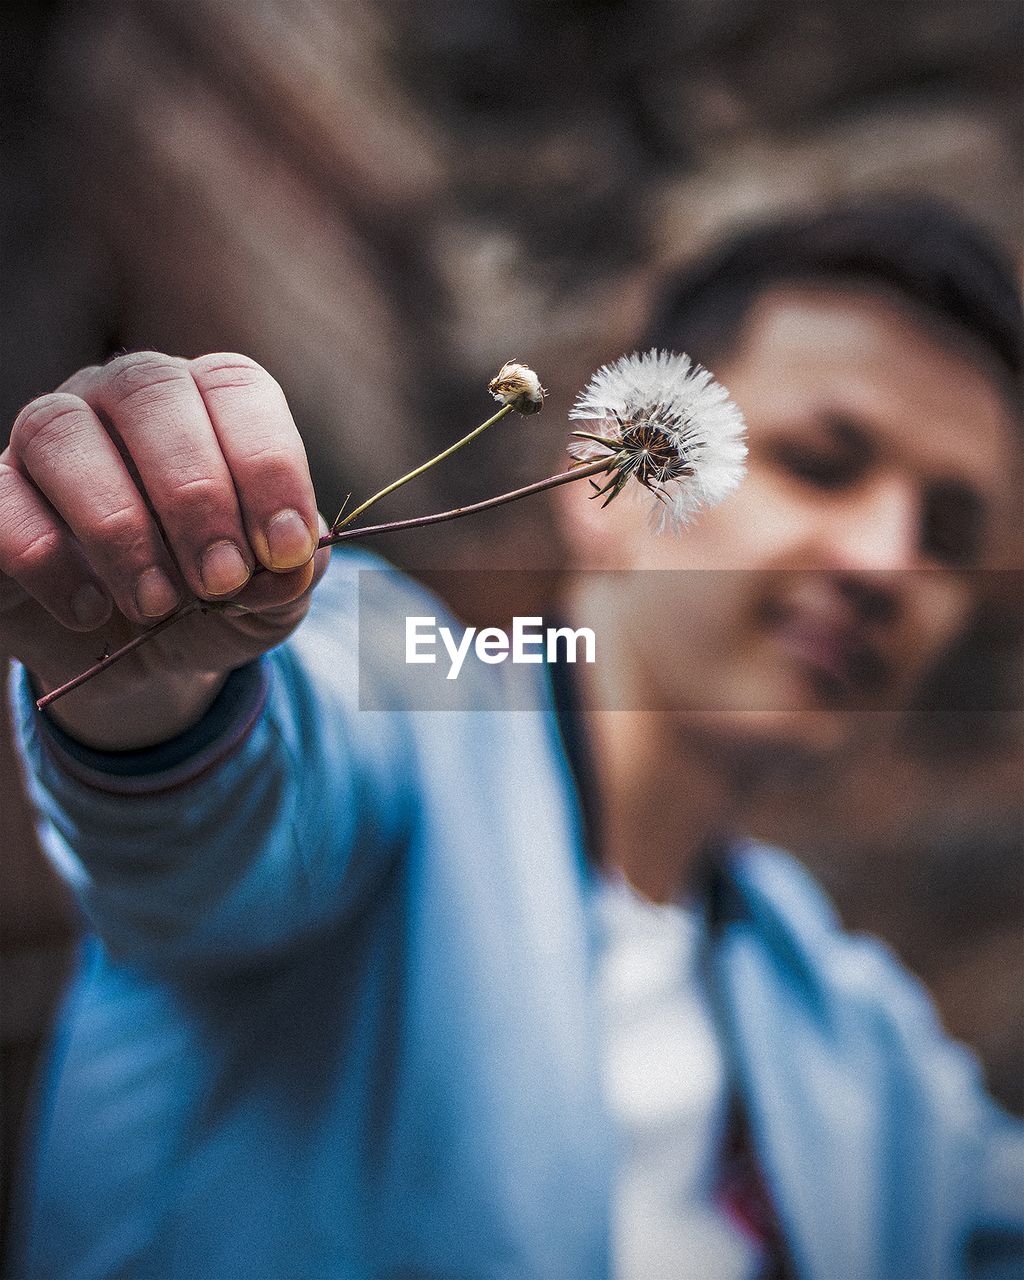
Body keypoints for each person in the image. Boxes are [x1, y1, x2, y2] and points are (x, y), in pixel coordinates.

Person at [2, 198, 1021, 1279]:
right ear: (606, 475)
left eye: (947, 533)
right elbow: (233, 792)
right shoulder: (405, 703)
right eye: (820, 460)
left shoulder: (859, 1033)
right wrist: (151, 671)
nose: (884, 561)